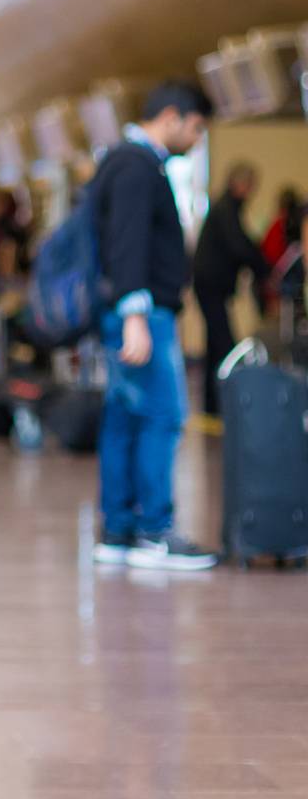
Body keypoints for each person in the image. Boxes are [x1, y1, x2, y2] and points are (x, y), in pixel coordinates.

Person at [91, 81, 217, 571]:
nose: (197, 138)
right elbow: (128, 242)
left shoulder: (123, 161)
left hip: (129, 311)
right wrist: (135, 316)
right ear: (172, 115)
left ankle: (120, 529)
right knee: (163, 416)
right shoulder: (137, 165)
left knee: (124, 417)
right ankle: (154, 530)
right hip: (142, 314)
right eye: (196, 126)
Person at [191, 161, 270, 420]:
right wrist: (262, 266)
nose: (251, 192)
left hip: (211, 286)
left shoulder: (226, 207)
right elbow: (239, 245)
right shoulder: (226, 208)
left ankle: (214, 405)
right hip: (210, 286)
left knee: (215, 344)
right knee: (225, 345)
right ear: (239, 184)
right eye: (250, 186)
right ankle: (230, 405)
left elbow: (242, 242)